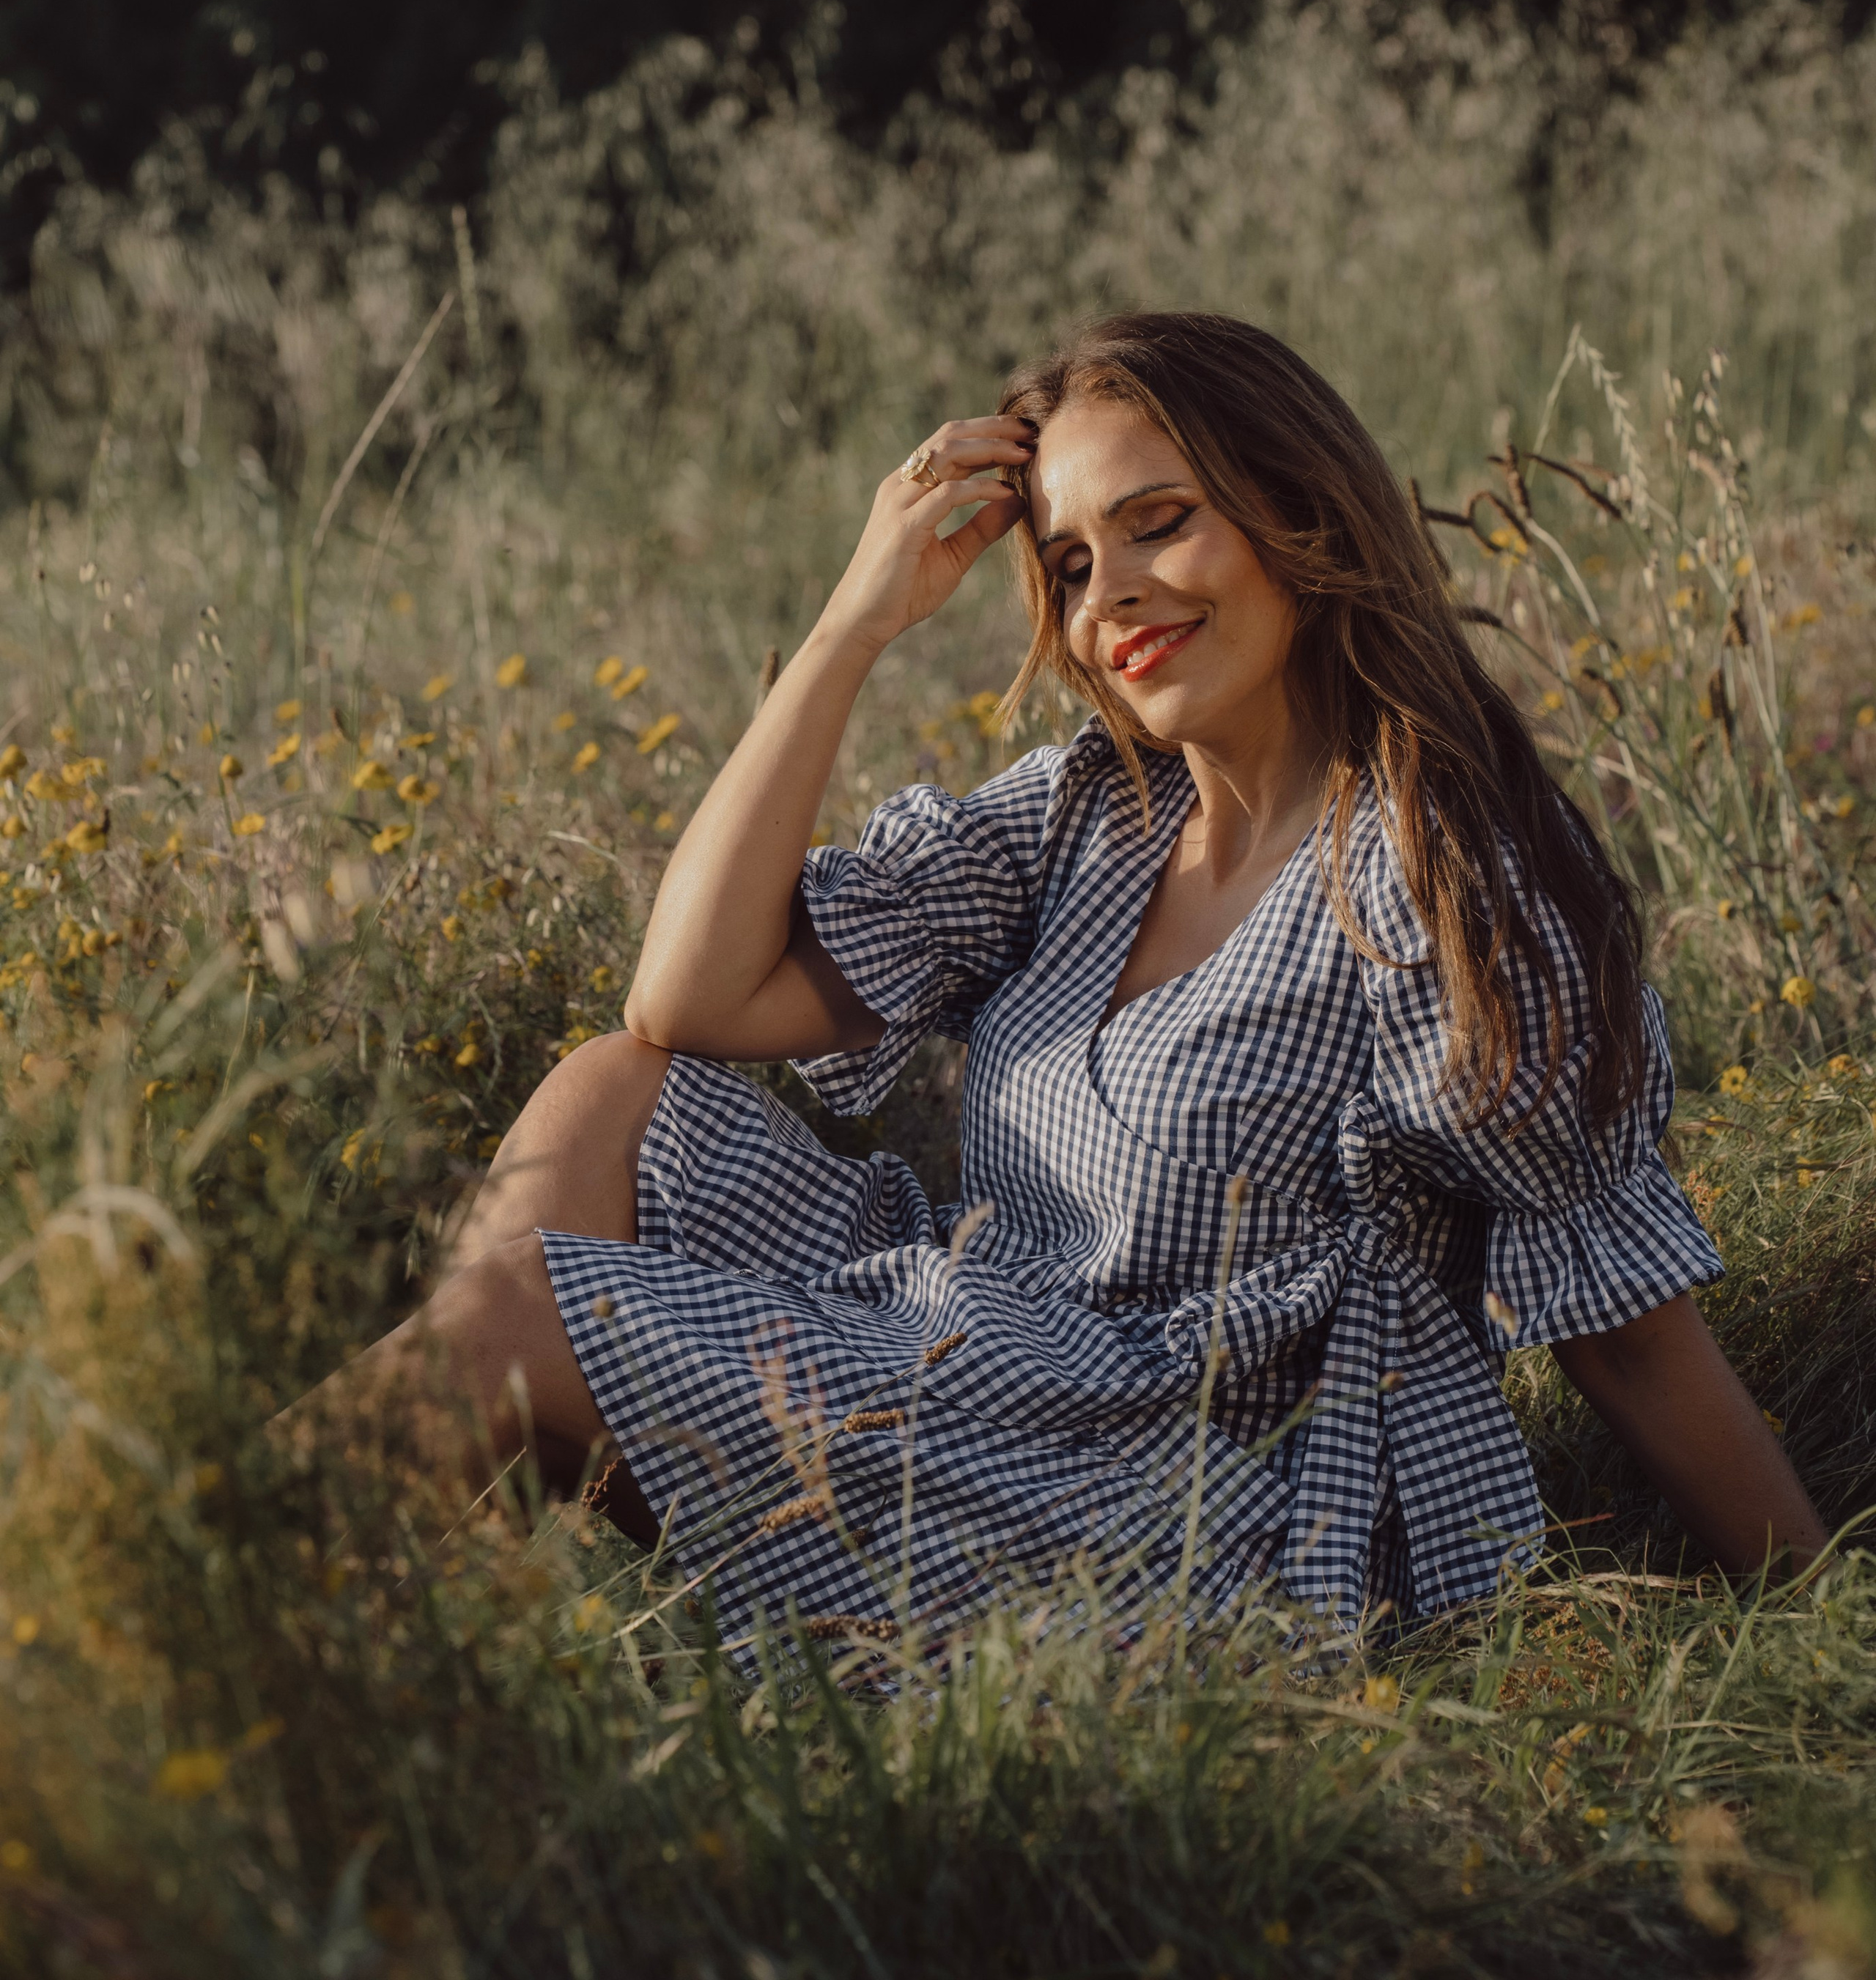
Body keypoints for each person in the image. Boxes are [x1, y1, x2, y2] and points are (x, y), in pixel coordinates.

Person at [283, 311, 1825, 1641]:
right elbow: (685, 1002)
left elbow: (1622, 1328)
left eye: (1160, 523)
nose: (1111, 600)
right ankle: (420, 1612)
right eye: (1074, 562)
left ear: (1302, 510)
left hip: (1196, 1492)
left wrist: (1809, 1613)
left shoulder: (1435, 870)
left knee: (507, 1321)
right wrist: (852, 621)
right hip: (981, 1350)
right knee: (610, 1094)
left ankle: (189, 1615)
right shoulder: (1091, 812)